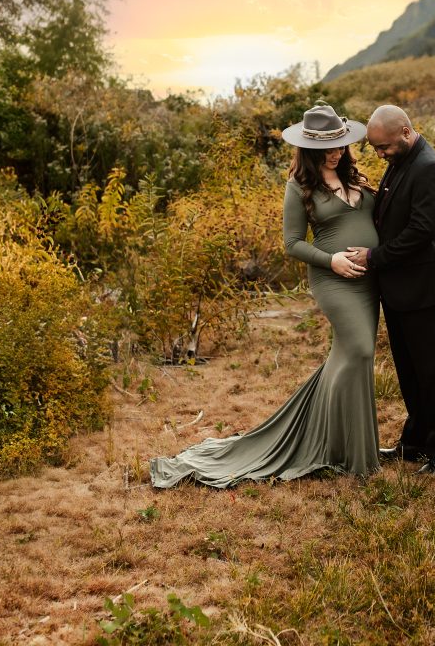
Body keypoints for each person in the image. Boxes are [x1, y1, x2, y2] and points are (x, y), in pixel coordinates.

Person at [149, 102, 380, 488]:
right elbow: (292, 244)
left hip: (369, 281)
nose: (336, 151)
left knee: (347, 358)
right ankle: (345, 449)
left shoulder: (356, 177)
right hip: (334, 280)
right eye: (327, 146)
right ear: (308, 148)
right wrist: (332, 260)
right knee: (358, 350)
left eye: (340, 143)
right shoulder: (300, 186)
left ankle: (343, 445)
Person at [346, 104, 435, 475]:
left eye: (384, 147)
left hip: (422, 286)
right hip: (398, 287)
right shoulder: (401, 161)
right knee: (408, 370)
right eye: (376, 149)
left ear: (406, 133)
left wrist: (374, 257)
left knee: (431, 370)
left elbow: (420, 232)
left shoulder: (429, 168)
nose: (380, 155)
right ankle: (414, 441)